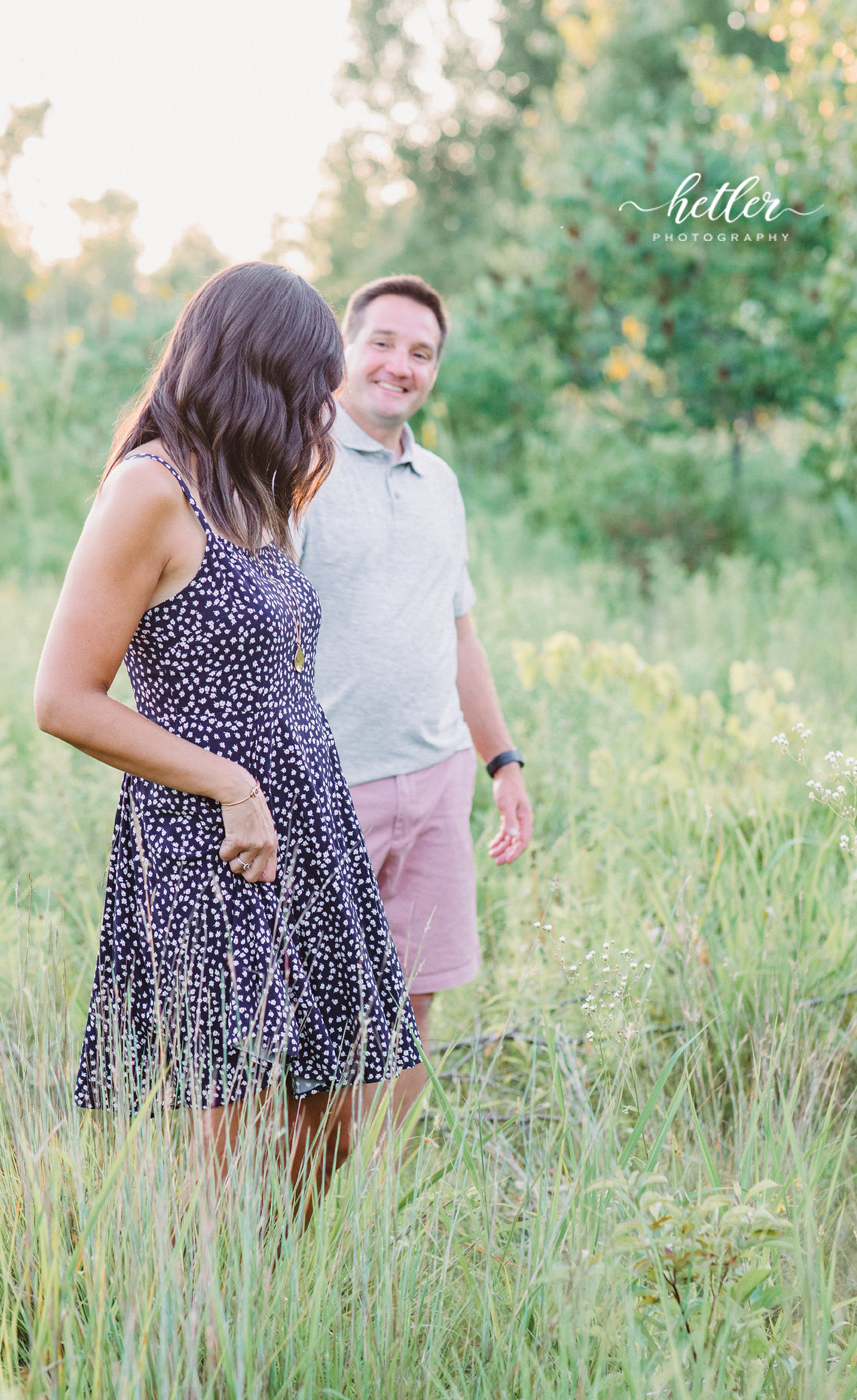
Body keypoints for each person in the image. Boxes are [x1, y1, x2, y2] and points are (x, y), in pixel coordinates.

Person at [34, 262, 420, 1207]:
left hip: (306, 819)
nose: (318, 412)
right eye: (305, 387)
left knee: (367, 1080)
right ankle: (207, 1329)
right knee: (229, 1122)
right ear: (253, 374)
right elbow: (63, 698)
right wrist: (231, 787)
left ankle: (270, 1288)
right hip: (212, 838)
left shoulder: (252, 491)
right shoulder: (151, 489)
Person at [298, 274, 533, 1119]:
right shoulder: (297, 468)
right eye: (384, 344)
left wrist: (500, 758)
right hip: (329, 787)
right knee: (322, 1022)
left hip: (437, 782)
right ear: (344, 350)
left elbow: (459, 631)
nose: (400, 365)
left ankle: (371, 1201)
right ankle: (292, 1216)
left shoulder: (439, 481)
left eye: (421, 352)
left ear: (435, 368)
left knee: (415, 1003)